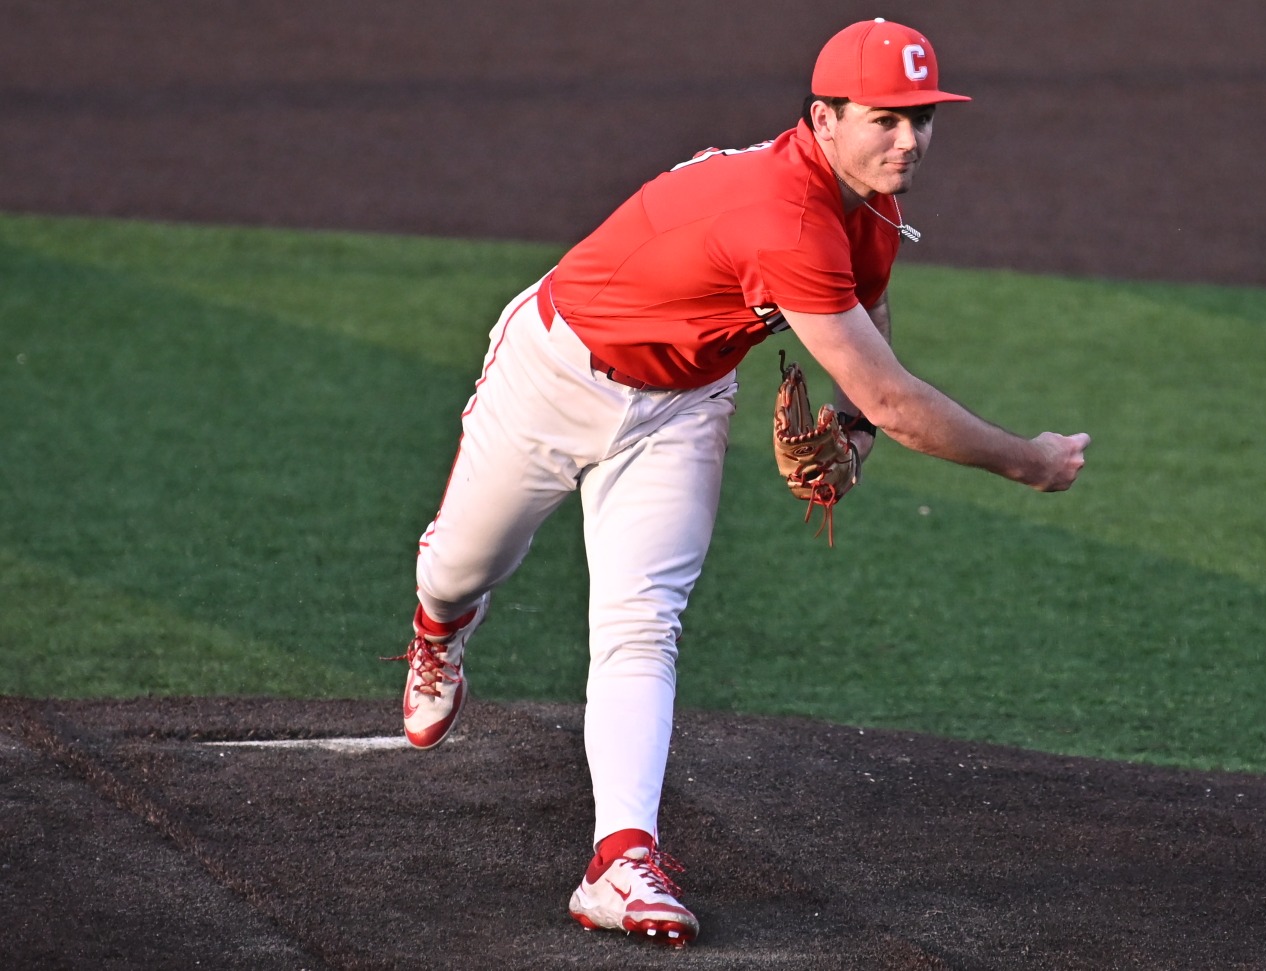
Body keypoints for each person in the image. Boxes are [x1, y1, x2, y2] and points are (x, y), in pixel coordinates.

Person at [388, 17, 1090, 948]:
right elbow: (893, 395)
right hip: (556, 373)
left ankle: (619, 860)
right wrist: (1028, 460)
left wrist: (847, 429)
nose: (910, 140)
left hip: (682, 400)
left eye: (924, 118)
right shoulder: (785, 212)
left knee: (644, 620)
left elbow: (866, 330)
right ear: (823, 117)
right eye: (886, 119)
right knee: (464, 566)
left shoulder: (869, 196)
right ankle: (438, 627)